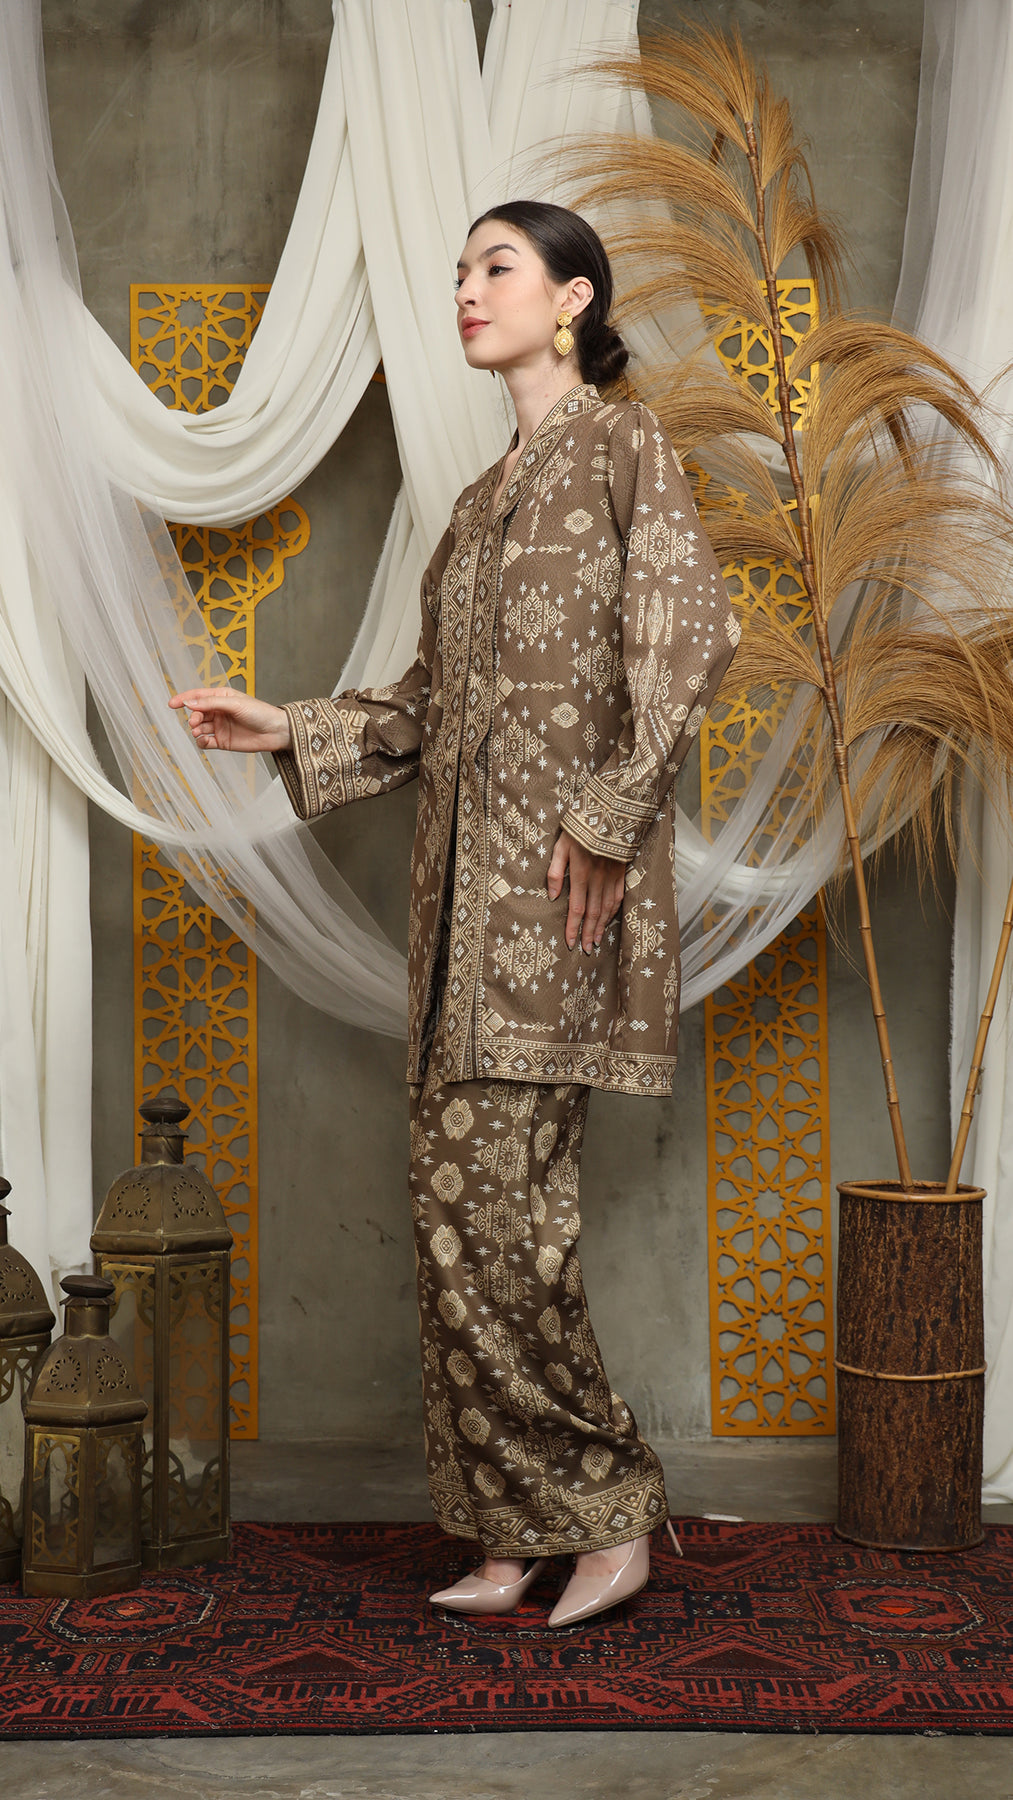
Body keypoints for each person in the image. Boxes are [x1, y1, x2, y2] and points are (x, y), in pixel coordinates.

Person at [171, 200, 739, 1628]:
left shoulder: (622, 446)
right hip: (451, 931)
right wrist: (284, 724)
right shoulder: (482, 507)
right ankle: (509, 1526)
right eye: (460, 272)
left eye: (497, 268)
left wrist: (607, 816)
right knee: (454, 1229)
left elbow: (689, 635)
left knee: (509, 1228)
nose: (468, 291)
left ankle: (609, 1513)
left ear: (573, 298)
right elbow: (429, 708)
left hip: (554, 911)